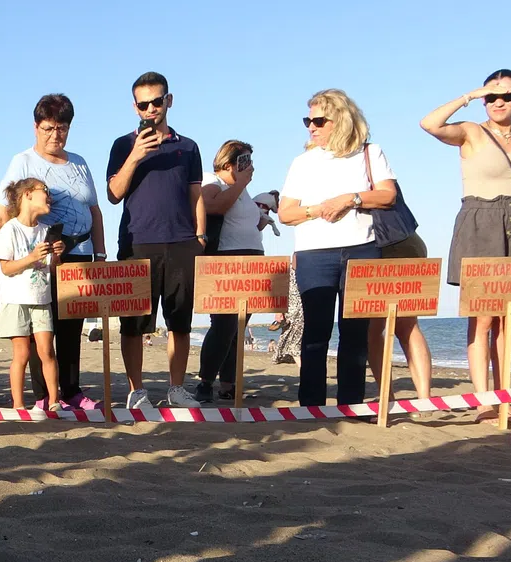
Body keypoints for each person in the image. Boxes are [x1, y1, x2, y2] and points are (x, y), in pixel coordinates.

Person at [422, 68, 511, 423]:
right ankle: (484, 402)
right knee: (483, 317)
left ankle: (504, 400)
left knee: (509, 319)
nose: (498, 102)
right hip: (480, 220)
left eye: (506, 95)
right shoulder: (473, 131)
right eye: (492, 96)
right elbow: (429, 124)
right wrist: (469, 96)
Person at [279, 89, 398, 407]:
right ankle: (311, 406)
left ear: (340, 119)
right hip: (315, 254)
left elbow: (387, 195)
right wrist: (318, 209)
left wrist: (350, 198)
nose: (311, 127)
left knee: (356, 335)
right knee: (315, 334)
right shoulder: (303, 162)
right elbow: (285, 213)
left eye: (318, 120)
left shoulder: (370, 153)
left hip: (362, 249)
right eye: (308, 120)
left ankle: (351, 403)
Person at [0, 94, 105, 412]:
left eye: (62, 127)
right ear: (36, 127)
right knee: (43, 327)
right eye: (48, 128)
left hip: (81, 250)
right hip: (44, 254)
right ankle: (44, 394)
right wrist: (22, 251)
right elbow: (0, 214)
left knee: (71, 326)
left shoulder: (80, 162)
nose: (55, 135)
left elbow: (94, 210)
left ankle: (71, 391)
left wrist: (100, 253)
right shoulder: (23, 161)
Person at [105, 72, 206, 410]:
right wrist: (135, 155)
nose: (150, 109)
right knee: (133, 323)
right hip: (137, 243)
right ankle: (137, 390)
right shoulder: (122, 145)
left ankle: (176, 388)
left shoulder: (188, 146)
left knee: (180, 321)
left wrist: (201, 236)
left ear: (169, 101)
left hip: (182, 242)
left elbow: (196, 194)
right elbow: (113, 194)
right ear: (134, 107)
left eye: (156, 101)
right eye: (143, 104)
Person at [194, 140, 268, 403]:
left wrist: (262, 217)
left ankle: (228, 384)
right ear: (229, 162)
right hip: (226, 259)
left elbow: (242, 223)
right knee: (224, 325)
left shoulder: (241, 190)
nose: (250, 166)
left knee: (238, 327)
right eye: (244, 160)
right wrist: (240, 184)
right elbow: (212, 206)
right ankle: (205, 382)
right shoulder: (214, 181)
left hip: (251, 258)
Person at [0, 178, 64, 410]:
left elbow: (52, 269)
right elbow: (6, 267)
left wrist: (57, 255)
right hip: (15, 299)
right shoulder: (10, 229)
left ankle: (54, 401)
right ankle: (18, 404)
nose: (49, 197)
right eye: (44, 191)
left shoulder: (46, 231)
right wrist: (32, 257)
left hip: (41, 298)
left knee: (47, 351)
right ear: (27, 195)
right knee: (21, 354)